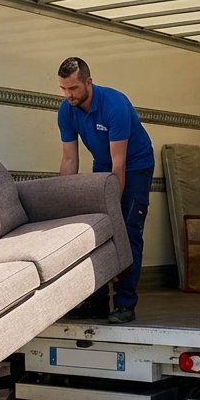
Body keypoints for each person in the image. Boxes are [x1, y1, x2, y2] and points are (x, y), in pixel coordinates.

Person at [56, 56, 154, 324]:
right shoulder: (67, 110)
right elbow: (69, 160)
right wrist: (64, 201)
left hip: (135, 167)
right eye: (63, 89)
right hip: (103, 165)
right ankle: (97, 302)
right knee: (97, 232)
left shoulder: (115, 105)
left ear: (89, 82)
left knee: (127, 230)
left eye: (73, 88)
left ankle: (125, 304)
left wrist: (114, 210)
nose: (68, 95)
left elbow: (119, 165)